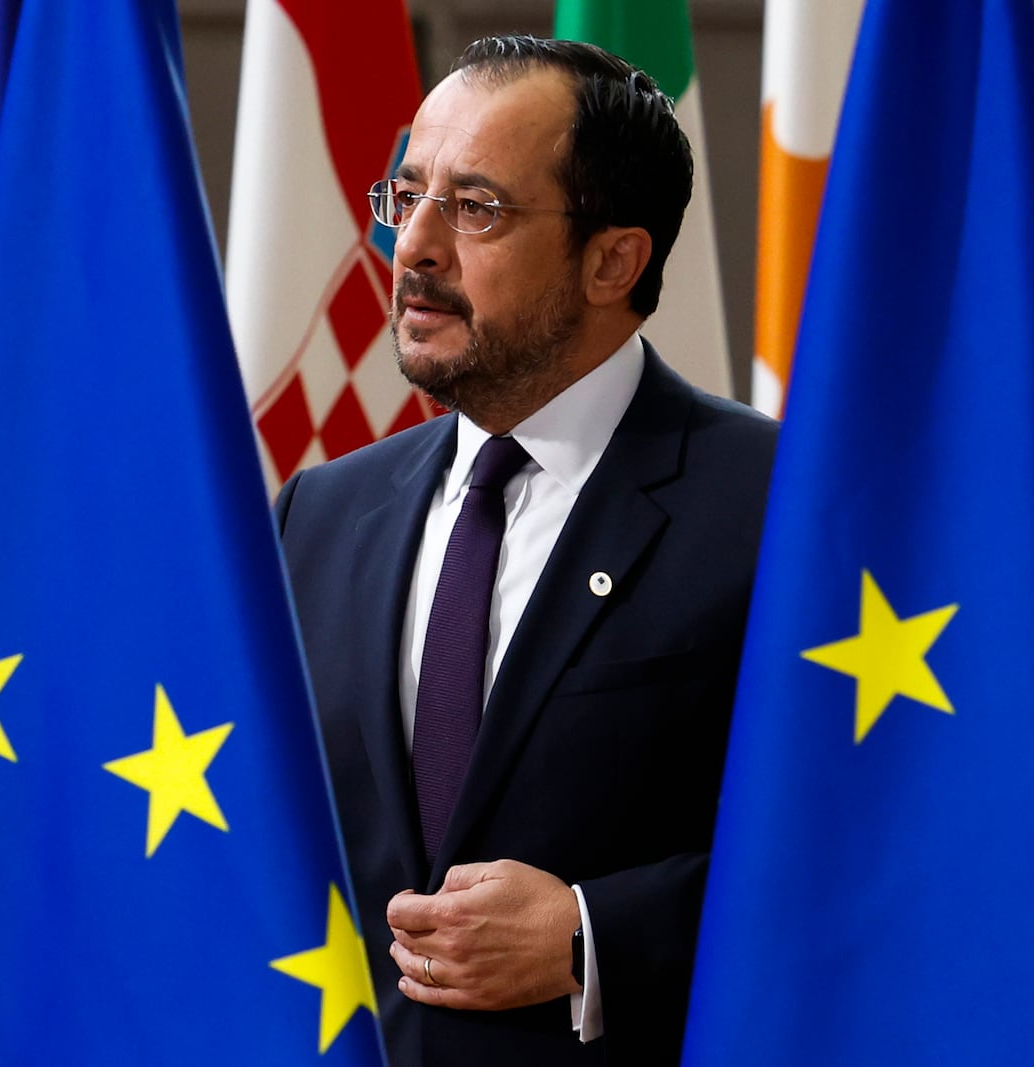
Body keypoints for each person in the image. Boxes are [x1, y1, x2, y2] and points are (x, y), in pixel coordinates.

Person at [273, 35, 778, 1065]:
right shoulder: (318, 513)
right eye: (405, 194)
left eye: (474, 208)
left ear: (612, 259)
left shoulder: (779, 503)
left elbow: (879, 824)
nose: (411, 246)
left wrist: (601, 933)